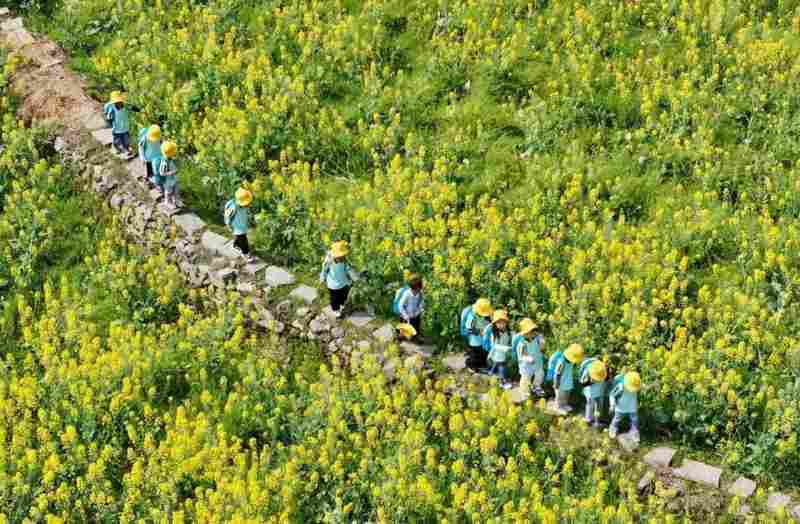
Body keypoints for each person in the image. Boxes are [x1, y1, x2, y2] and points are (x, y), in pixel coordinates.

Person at [320, 241, 359, 319]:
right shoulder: (329, 262)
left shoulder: (345, 262)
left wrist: (356, 278)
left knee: (344, 295)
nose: (341, 258)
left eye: (343, 256)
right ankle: (336, 310)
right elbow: (324, 270)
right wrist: (322, 278)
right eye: (339, 257)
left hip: (343, 282)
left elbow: (349, 270)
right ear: (334, 256)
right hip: (333, 285)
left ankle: (342, 303)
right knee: (334, 299)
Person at [514, 318, 545, 398]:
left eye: (533, 331)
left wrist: (542, 341)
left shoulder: (537, 339)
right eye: (529, 332)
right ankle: (524, 392)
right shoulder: (522, 344)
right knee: (526, 378)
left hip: (537, 362)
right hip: (526, 365)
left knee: (540, 374)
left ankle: (536, 386)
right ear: (524, 334)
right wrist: (529, 359)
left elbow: (542, 348)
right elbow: (522, 356)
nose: (531, 334)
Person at [224, 188, 255, 262]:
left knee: (240, 238)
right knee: (243, 240)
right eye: (246, 203)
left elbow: (246, 214)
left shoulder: (244, 206)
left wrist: (250, 221)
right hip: (236, 227)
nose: (248, 204)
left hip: (242, 225)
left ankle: (236, 245)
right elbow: (227, 216)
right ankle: (245, 253)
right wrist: (228, 225)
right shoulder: (233, 207)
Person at [105, 92, 140, 159]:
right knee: (117, 140)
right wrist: (111, 124)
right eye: (116, 102)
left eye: (119, 101)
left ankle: (126, 149)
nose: (119, 103)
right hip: (117, 129)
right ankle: (116, 147)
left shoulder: (126, 106)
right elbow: (109, 118)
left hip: (125, 128)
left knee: (126, 140)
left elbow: (133, 108)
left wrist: (138, 109)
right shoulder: (112, 108)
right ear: (113, 102)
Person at [484, 309, 513, 389]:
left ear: (506, 322)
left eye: (503, 322)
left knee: (496, 365)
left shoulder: (508, 332)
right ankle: (503, 381)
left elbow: (513, 337)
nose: (501, 325)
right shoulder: (494, 334)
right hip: (497, 354)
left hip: (504, 353)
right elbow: (494, 345)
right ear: (495, 324)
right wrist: (506, 348)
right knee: (502, 367)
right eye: (498, 323)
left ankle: (491, 373)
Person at [551, 343, 584, 412]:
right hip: (560, 383)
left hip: (568, 381)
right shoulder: (562, 362)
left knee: (566, 395)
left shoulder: (571, 361)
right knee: (560, 396)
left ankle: (564, 405)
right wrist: (556, 383)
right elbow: (557, 374)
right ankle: (558, 407)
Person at [462, 298, 492, 372]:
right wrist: (479, 332)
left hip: (483, 339)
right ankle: (470, 365)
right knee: (475, 354)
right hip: (474, 340)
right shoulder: (472, 316)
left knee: (483, 352)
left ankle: (482, 365)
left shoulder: (485, 315)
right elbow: (469, 329)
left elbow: (488, 322)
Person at [609, 371, 641, 438]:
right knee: (617, 419)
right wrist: (612, 405)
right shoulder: (621, 386)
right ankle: (613, 429)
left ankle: (634, 433)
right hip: (621, 407)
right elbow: (612, 395)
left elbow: (638, 394)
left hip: (632, 407)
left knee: (634, 421)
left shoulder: (636, 384)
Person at [579, 357, 608, 427]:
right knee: (590, 406)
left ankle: (597, 421)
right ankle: (588, 420)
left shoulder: (604, 368)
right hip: (590, 393)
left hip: (600, 392)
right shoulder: (589, 369)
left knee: (598, 407)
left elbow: (607, 378)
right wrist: (591, 382)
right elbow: (583, 383)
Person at [157, 141, 179, 208]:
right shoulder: (164, 162)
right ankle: (168, 202)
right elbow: (161, 173)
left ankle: (175, 200)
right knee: (168, 192)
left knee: (175, 189)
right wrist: (171, 172)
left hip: (173, 178)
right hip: (167, 180)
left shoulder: (170, 159)